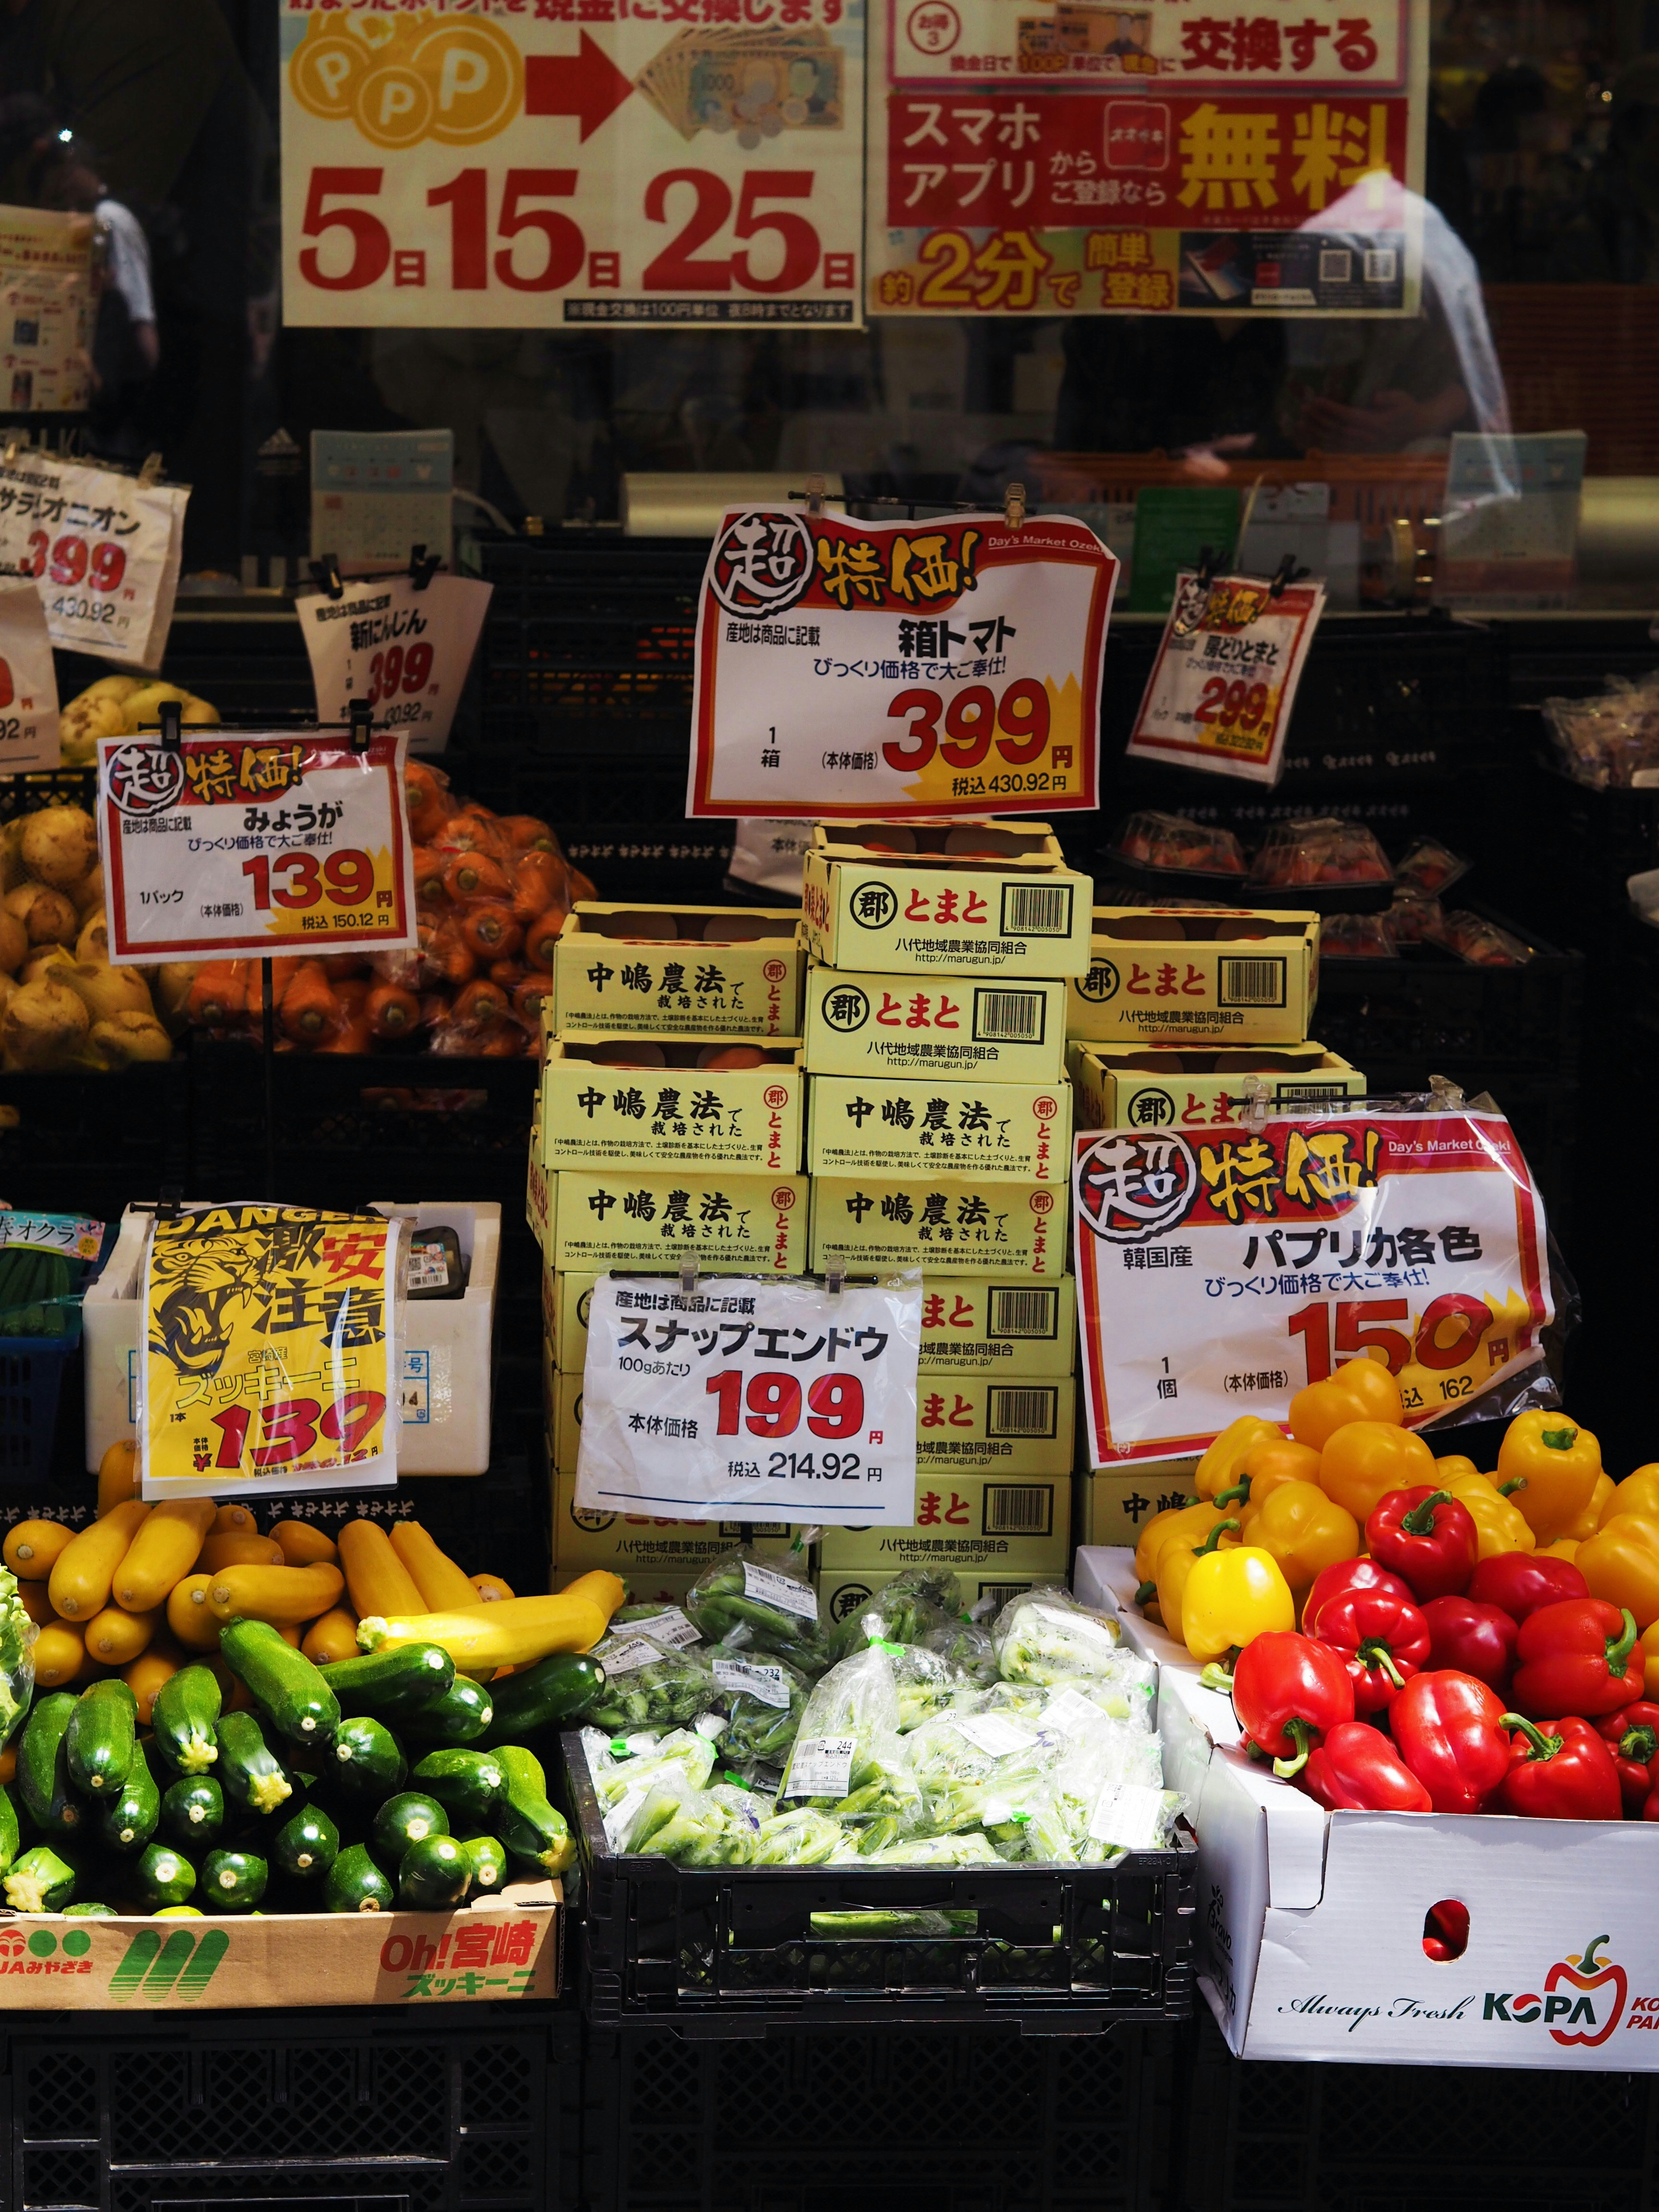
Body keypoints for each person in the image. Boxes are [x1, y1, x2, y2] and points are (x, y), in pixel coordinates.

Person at [28, 129, 157, 372]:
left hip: (119, 356)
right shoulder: (93, 219)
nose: (64, 183)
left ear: (86, 168)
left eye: (68, 172)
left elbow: (137, 307)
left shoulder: (108, 216)